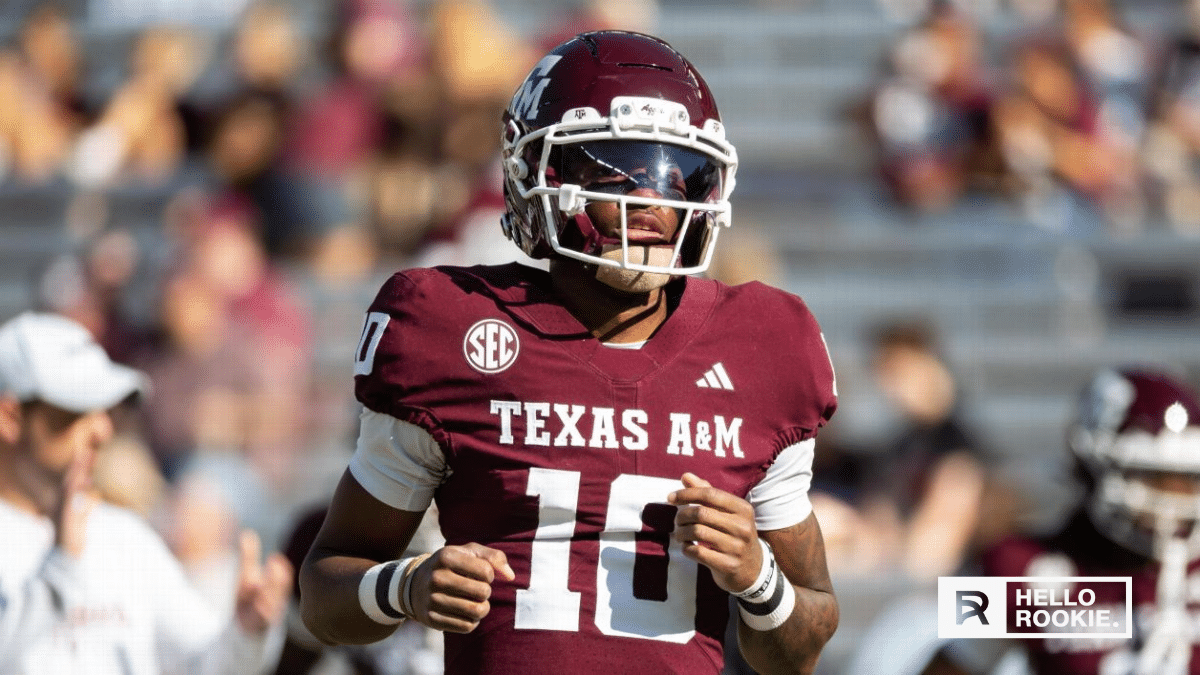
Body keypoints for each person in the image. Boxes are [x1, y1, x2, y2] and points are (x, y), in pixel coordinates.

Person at [300, 30, 840, 675]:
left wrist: (758, 579)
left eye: (676, 172)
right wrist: (405, 588)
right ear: (540, 175)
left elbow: (800, 649)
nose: (649, 199)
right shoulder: (453, 329)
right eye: (620, 166)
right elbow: (324, 592)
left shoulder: (762, 345)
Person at [0, 311, 293, 675]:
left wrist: (248, 633)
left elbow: (204, 664)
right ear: (10, 417)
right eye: (74, 409)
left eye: (104, 410)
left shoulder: (124, 535)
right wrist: (62, 565)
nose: (102, 431)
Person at [920, 367, 1200, 675]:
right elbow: (950, 666)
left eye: (1188, 483)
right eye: (1153, 478)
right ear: (1092, 466)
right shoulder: (1006, 565)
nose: (1173, 502)